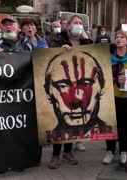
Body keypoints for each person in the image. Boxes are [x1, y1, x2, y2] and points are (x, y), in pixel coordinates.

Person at [48, 15, 93, 169]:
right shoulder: (59, 41)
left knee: (73, 121)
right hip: (63, 87)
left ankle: (68, 151)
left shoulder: (86, 42)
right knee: (60, 119)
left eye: (81, 23)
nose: (79, 25)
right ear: (68, 26)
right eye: (76, 23)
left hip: (80, 87)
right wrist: (59, 50)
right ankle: (55, 155)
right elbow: (48, 56)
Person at [102, 30, 127, 165]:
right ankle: (110, 151)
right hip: (110, 94)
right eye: (117, 37)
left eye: (122, 37)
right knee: (109, 123)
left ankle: (123, 151)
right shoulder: (108, 57)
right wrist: (115, 78)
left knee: (124, 124)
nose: (119, 39)